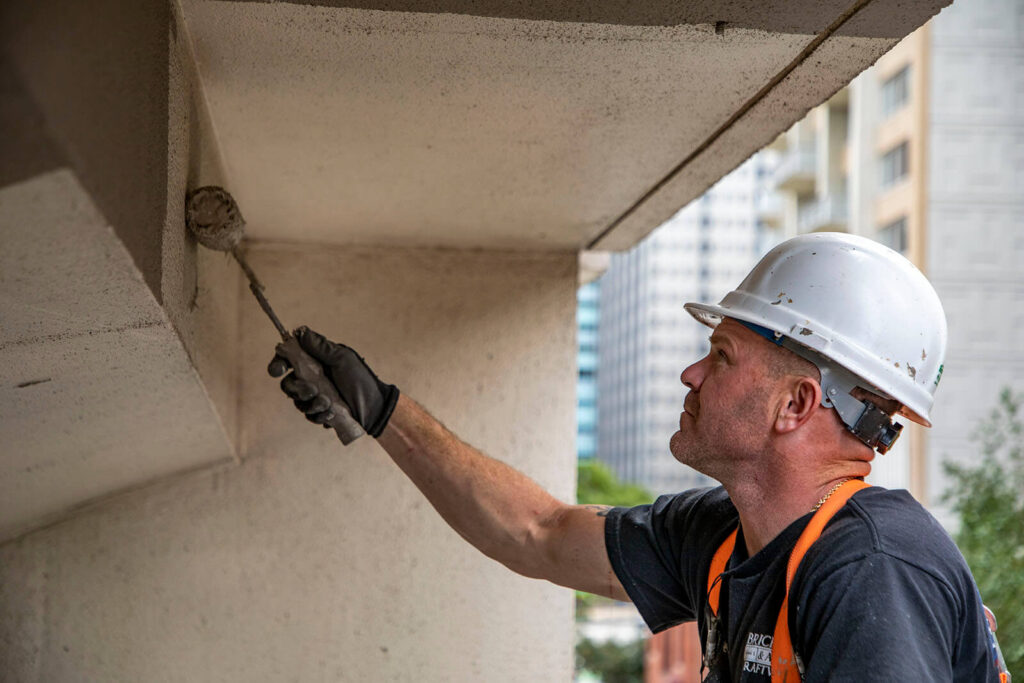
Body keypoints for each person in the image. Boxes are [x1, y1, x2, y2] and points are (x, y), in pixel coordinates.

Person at [268, 233, 1005, 681]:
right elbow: (538, 531)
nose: (691, 373)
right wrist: (386, 413)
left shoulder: (871, 572)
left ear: (796, 405)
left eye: (720, 356)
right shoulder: (727, 536)